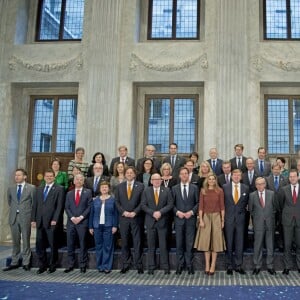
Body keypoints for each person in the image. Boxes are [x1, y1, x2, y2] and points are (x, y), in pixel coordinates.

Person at [31, 169, 65, 274]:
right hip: (40, 221)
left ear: (54, 177)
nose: (49, 178)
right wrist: (33, 219)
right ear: (44, 177)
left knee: (52, 245)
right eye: (47, 176)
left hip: (52, 222)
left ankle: (52, 265)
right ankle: (42, 265)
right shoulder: (39, 189)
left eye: (51, 176)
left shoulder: (59, 189)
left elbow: (59, 206)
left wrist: (55, 219)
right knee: (39, 244)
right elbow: (35, 206)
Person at [3, 169, 36, 271]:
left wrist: (32, 218)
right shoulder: (11, 188)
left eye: (19, 175)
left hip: (25, 217)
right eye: (15, 175)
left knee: (26, 240)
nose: (16, 177)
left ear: (25, 176)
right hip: (14, 217)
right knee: (15, 241)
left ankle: (26, 262)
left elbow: (34, 203)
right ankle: (14, 262)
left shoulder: (31, 188)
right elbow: (10, 202)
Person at [141, 173, 174, 275]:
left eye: (158, 179)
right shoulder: (146, 190)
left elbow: (170, 204)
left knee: (163, 245)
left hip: (162, 221)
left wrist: (160, 212)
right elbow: (143, 205)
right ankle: (151, 266)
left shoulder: (167, 190)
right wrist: (153, 213)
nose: (156, 181)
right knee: (151, 246)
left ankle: (165, 267)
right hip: (150, 221)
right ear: (151, 181)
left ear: (161, 180)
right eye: (154, 179)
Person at [115, 166, 145, 274]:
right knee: (125, 242)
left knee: (137, 242)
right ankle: (125, 264)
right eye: (127, 173)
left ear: (134, 174)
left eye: (131, 173)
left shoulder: (141, 186)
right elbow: (117, 202)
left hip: (136, 218)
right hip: (123, 218)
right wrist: (124, 212)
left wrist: (134, 212)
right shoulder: (119, 187)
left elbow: (143, 202)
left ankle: (139, 264)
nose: (129, 174)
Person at [194, 173, 225, 276]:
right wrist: (201, 220)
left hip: (216, 217)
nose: (211, 181)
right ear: (207, 180)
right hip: (206, 217)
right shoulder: (203, 191)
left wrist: (222, 220)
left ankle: (213, 265)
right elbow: (201, 207)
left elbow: (222, 207)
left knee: (215, 243)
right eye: (210, 179)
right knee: (206, 243)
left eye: (213, 179)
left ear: (215, 180)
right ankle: (207, 265)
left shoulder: (219, 191)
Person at [172, 167, 199, 275]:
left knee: (189, 243)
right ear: (179, 175)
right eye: (182, 173)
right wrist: (177, 212)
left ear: (188, 175)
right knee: (179, 243)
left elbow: (198, 203)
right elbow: (171, 204)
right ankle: (180, 265)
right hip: (179, 219)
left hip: (190, 220)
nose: (184, 175)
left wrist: (192, 212)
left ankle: (189, 265)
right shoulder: (174, 188)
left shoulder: (194, 188)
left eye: (186, 174)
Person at [64, 174, 92, 274]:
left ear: (83, 182)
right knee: (70, 244)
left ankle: (82, 265)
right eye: (77, 179)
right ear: (74, 181)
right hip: (71, 223)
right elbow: (67, 207)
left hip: (83, 222)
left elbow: (89, 207)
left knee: (83, 244)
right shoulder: (69, 193)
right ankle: (70, 264)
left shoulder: (88, 192)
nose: (79, 181)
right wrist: (72, 217)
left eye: (81, 179)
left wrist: (80, 217)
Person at [223, 168, 249, 275]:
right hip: (228, 218)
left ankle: (239, 265)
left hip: (241, 219)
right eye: (235, 175)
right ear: (231, 176)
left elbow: (247, 203)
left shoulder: (246, 188)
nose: (237, 177)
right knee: (229, 242)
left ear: (241, 177)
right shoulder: (225, 187)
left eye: (239, 175)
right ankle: (229, 265)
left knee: (239, 243)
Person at [89, 182, 118, 273]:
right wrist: (90, 226)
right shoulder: (95, 200)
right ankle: (100, 266)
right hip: (97, 226)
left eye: (106, 187)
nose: (104, 189)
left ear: (108, 189)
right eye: (102, 187)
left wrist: (115, 225)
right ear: (100, 189)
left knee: (108, 246)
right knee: (98, 246)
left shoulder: (113, 200)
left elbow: (116, 214)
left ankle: (106, 266)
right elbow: (91, 214)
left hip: (109, 226)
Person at [249, 177, 276, 275]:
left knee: (270, 245)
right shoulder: (252, 196)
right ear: (255, 185)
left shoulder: (271, 194)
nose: (260, 186)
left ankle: (270, 266)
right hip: (258, 224)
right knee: (258, 245)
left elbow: (275, 208)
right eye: (258, 184)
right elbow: (251, 210)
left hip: (270, 223)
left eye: (262, 184)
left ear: (265, 184)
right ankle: (257, 266)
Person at [278, 169, 300, 275]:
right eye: (290, 177)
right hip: (287, 221)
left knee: (299, 244)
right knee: (287, 245)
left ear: (298, 177)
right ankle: (287, 267)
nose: (292, 178)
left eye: (294, 176)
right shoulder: (284, 189)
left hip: (299, 220)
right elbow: (280, 205)